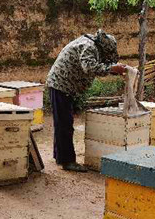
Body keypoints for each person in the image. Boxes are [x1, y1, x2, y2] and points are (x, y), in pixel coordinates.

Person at [46, 30, 127, 172]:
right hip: (60, 85)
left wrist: (114, 70)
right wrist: (111, 68)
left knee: (62, 122)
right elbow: (89, 67)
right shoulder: (89, 47)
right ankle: (68, 161)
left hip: (63, 85)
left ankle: (60, 156)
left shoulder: (91, 43)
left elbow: (96, 64)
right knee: (65, 124)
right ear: (104, 49)